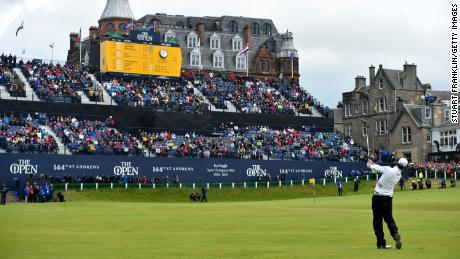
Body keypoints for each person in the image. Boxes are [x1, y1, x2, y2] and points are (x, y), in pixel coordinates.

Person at [367, 158, 406, 249]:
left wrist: (370, 164)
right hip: (388, 198)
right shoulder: (398, 175)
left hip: (377, 197)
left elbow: (372, 167)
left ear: (397, 163)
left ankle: (381, 243)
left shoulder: (388, 169)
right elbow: (379, 167)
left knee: (377, 220)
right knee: (389, 219)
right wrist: (374, 164)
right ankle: (395, 233)